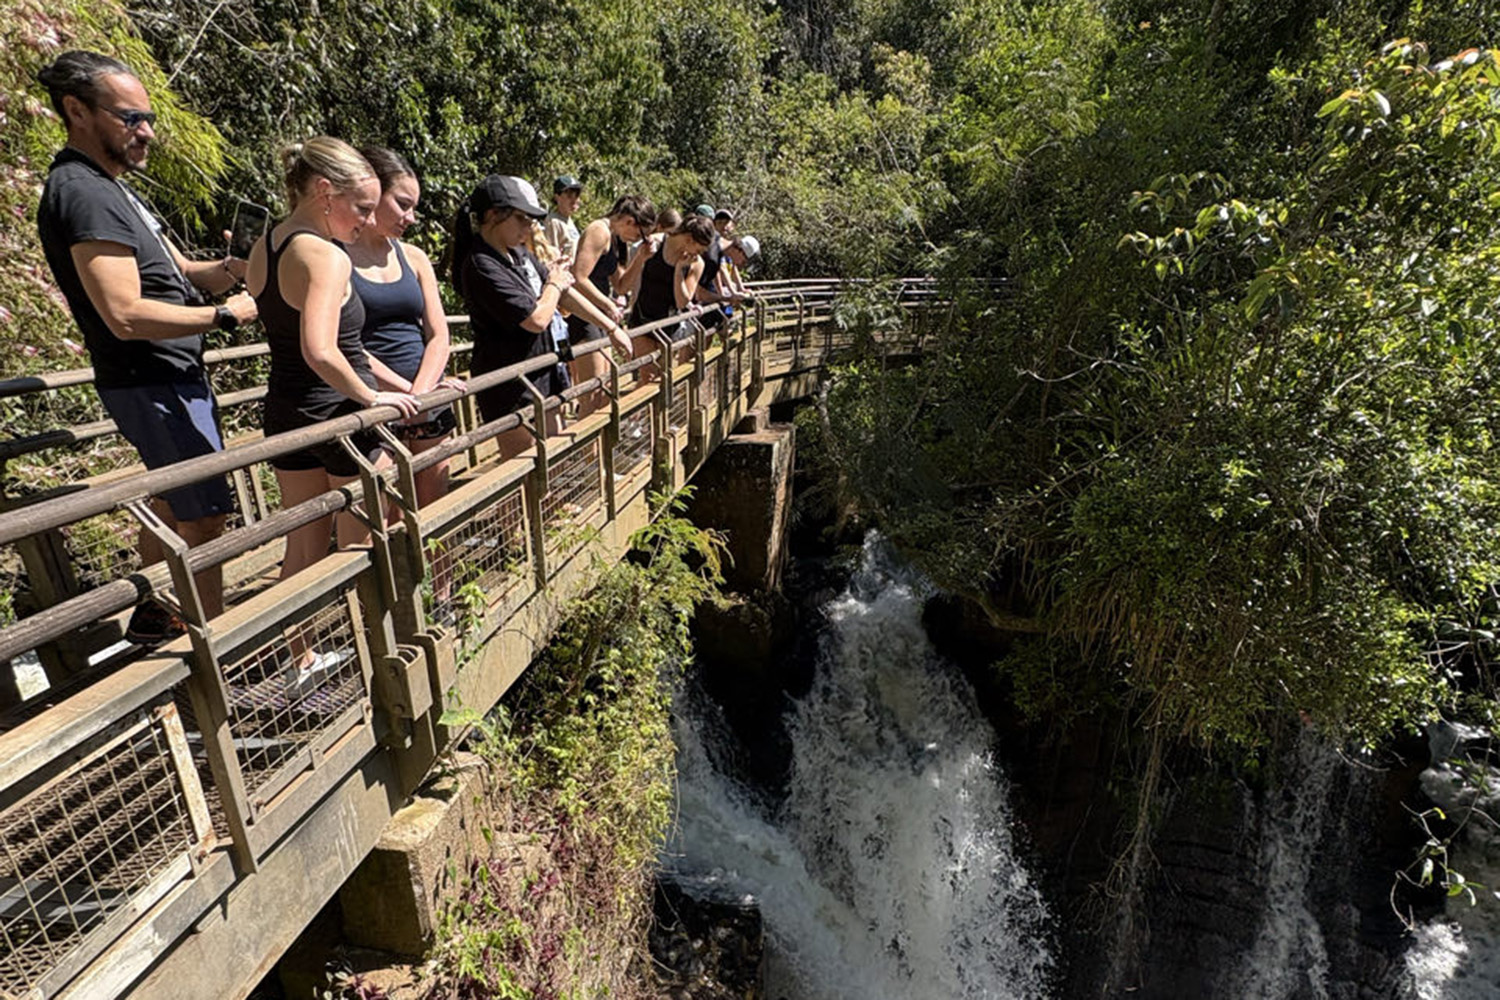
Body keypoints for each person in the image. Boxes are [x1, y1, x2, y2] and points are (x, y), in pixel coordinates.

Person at [36, 49, 257, 638]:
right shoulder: (81, 191)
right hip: (151, 380)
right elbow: (124, 314)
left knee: (173, 500)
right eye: (130, 118)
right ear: (77, 111)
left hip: (171, 377)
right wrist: (225, 317)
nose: (147, 133)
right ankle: (210, 647)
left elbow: (179, 269)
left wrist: (231, 268)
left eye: (147, 118)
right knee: (205, 516)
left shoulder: (114, 188)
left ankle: (156, 614)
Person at [246, 138, 419, 595]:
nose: (365, 221)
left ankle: (295, 658)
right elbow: (322, 349)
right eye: (361, 208)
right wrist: (372, 396)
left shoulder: (266, 247)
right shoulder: (327, 256)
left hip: (287, 414)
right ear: (326, 192)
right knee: (362, 547)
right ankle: (372, 650)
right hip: (343, 417)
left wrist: (403, 384)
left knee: (302, 548)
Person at [346, 146, 462, 510]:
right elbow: (342, 343)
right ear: (372, 192)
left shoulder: (413, 256)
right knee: (391, 517)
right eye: (403, 204)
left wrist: (421, 394)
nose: (411, 217)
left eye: (414, 207)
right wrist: (405, 395)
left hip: (424, 401)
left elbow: (439, 334)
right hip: (376, 404)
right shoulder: (335, 257)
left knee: (434, 512)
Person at [451, 175, 574, 460]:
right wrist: (554, 283)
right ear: (493, 215)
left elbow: (563, 293)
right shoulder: (481, 264)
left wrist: (609, 323)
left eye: (532, 220)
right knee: (522, 472)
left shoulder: (520, 254)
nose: (530, 227)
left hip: (542, 373)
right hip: (510, 388)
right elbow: (537, 319)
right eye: (522, 218)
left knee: (554, 460)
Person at [567, 194, 656, 413]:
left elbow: (622, 286)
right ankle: (588, 448)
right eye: (639, 235)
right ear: (629, 222)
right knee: (593, 396)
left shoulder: (615, 239)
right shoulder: (599, 231)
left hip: (599, 318)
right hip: (583, 317)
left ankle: (600, 448)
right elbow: (578, 278)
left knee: (605, 390)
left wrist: (641, 258)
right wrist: (609, 305)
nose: (637, 240)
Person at [626, 214, 715, 370]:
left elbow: (682, 302)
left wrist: (679, 270)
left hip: (669, 324)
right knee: (650, 376)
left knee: (663, 376)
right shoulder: (655, 244)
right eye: (699, 249)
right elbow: (634, 279)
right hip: (642, 319)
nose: (698, 254)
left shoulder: (696, 263)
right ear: (689, 239)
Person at [543, 175, 582, 260]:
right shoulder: (553, 222)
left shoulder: (569, 221)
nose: (574, 200)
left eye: (577, 195)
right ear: (557, 197)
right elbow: (550, 257)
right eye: (569, 195)